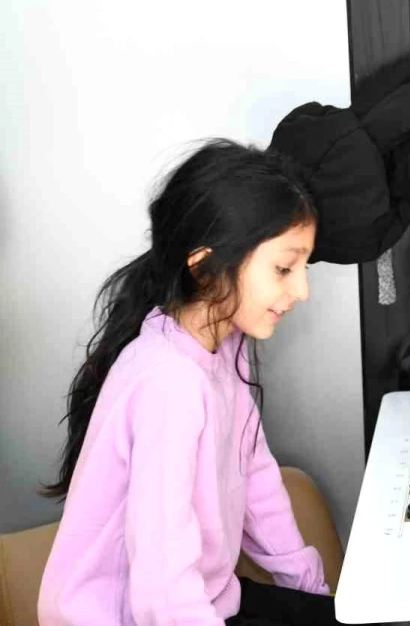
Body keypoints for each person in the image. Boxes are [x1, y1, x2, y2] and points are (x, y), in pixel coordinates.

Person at [38, 140, 337, 626]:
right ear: (205, 268)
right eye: (284, 268)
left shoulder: (224, 346)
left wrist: (310, 594)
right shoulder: (170, 383)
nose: (301, 291)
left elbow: (256, 478)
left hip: (208, 601)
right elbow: (162, 588)